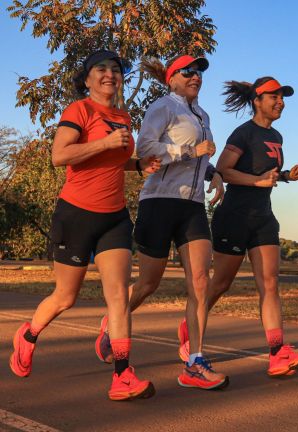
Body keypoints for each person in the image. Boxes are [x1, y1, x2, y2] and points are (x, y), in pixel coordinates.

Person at [9, 49, 161, 401]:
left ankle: (123, 374)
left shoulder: (123, 116)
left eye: (116, 69)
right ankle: (28, 335)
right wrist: (106, 142)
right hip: (76, 214)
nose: (110, 74)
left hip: (115, 217)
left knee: (118, 297)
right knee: (65, 297)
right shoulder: (79, 110)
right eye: (101, 69)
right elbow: (60, 155)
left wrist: (137, 165)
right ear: (88, 78)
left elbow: (111, 161)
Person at [93, 54, 229, 391]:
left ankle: (195, 361)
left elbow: (201, 156)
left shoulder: (203, 114)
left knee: (200, 281)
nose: (195, 76)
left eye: (198, 72)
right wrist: (190, 152)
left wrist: (214, 174)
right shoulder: (162, 107)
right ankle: (112, 323)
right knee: (148, 284)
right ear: (172, 78)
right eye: (188, 72)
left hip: (193, 206)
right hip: (159, 202)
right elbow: (146, 150)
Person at [174, 76, 298, 377]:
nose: (280, 102)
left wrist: (286, 175)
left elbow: (264, 173)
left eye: (282, 97)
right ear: (257, 101)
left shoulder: (276, 136)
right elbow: (223, 170)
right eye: (273, 96)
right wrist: (257, 181)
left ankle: (277, 354)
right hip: (234, 216)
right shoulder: (243, 133)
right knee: (220, 284)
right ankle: (190, 328)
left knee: (270, 283)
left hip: (263, 216)